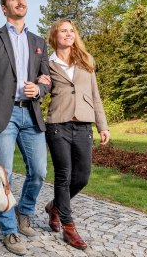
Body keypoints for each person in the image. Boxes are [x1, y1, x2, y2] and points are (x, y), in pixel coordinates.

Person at [0, 0, 51, 255]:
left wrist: (39, 89)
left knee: (39, 172)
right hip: (2, 114)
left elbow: (46, 77)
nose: (20, 1)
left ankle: (24, 212)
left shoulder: (39, 42)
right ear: (4, 8)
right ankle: (9, 231)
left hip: (31, 112)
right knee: (2, 174)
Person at [39, 19, 110, 250]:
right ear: (54, 35)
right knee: (64, 175)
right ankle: (68, 227)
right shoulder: (47, 63)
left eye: (71, 31)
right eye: (63, 31)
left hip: (83, 125)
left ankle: (55, 206)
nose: (69, 34)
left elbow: (95, 94)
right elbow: (41, 90)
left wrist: (103, 125)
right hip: (57, 124)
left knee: (83, 176)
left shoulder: (86, 59)